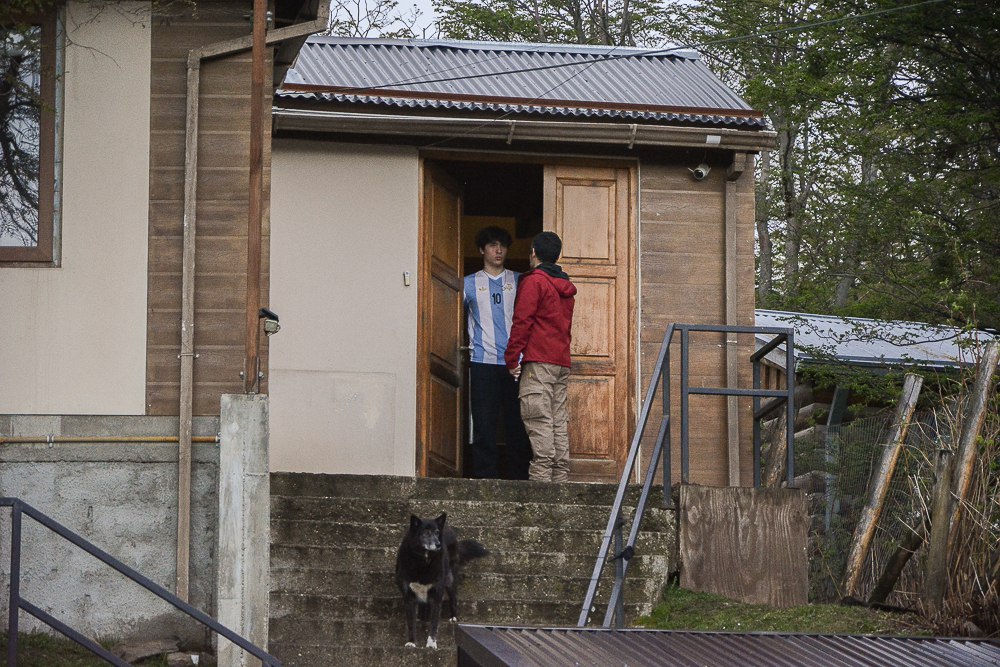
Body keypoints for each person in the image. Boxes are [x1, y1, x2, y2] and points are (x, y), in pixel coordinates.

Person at [504, 231, 577, 482]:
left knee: (538, 418)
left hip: (539, 361)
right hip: (561, 362)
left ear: (533, 252)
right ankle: (560, 484)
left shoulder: (534, 282)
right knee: (557, 420)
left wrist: (512, 359)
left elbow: (522, 322)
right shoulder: (565, 286)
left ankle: (542, 489)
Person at [463, 226, 532, 479]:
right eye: (492, 245)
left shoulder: (519, 281)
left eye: (502, 245)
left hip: (515, 363)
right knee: (484, 423)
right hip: (481, 362)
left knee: (517, 423)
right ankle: (485, 477)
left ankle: (518, 477)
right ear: (482, 249)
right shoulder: (468, 284)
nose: (498, 250)